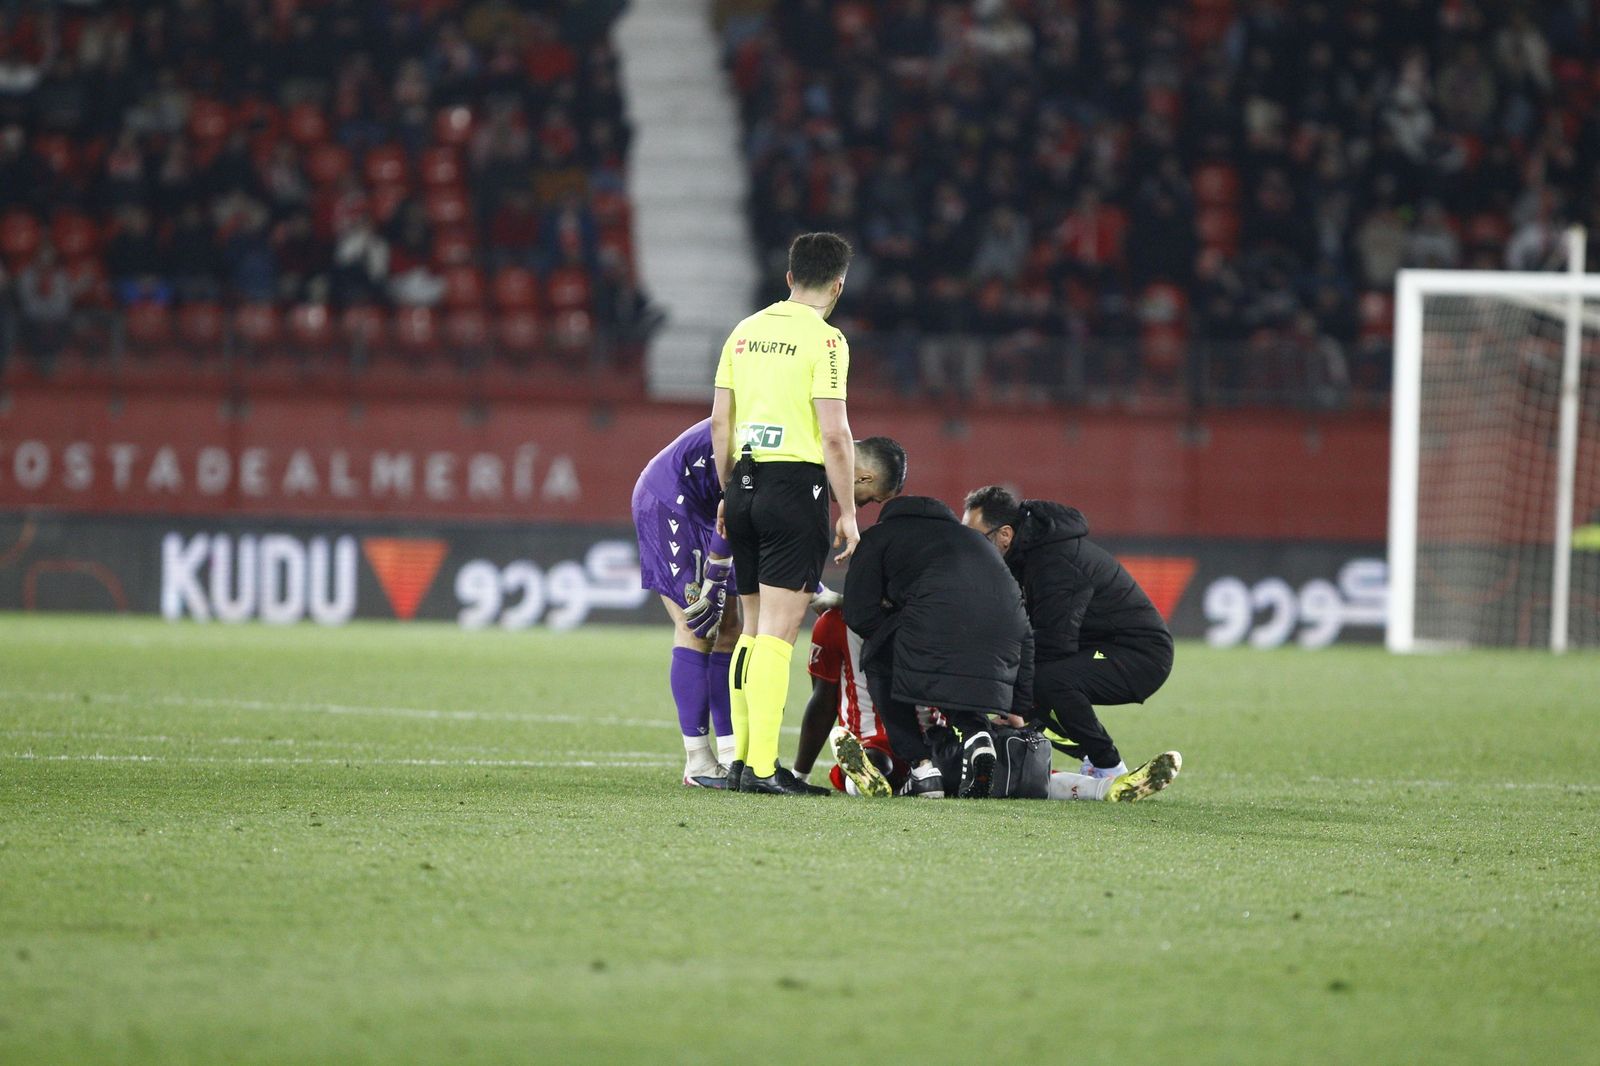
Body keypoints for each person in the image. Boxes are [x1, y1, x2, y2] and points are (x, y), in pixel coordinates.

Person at [711, 232, 858, 795]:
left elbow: (720, 422)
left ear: (790, 277)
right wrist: (847, 512)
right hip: (795, 487)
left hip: (744, 484)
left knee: (750, 630)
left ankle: (742, 763)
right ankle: (766, 769)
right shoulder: (826, 342)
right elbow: (836, 435)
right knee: (777, 633)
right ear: (838, 286)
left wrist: (729, 492)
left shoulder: (743, 332)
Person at [961, 485, 1179, 783]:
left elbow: (1054, 642)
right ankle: (1093, 756)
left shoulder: (1054, 561)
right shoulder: (1022, 559)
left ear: (1006, 535)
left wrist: (1015, 700)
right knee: (1028, 681)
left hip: (1140, 654)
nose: (970, 548)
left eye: (976, 538)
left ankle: (1109, 767)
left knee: (1044, 680)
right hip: (1096, 644)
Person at [842, 492, 1034, 799]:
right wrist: (1018, 705)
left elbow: (858, 614)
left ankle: (922, 768)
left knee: (882, 658)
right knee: (945, 668)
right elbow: (1024, 631)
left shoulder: (879, 536)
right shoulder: (977, 541)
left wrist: (895, 627)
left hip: (933, 625)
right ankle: (977, 736)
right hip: (1004, 634)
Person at [790, 438, 910, 794]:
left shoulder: (834, 622)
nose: (866, 506)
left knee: (876, 759)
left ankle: (870, 773)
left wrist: (799, 774)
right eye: (873, 498)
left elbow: (822, 704)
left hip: (872, 741)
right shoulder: (926, 617)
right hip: (929, 746)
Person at [631, 419, 742, 787]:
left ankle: (728, 756)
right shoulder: (779, 431)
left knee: (730, 627)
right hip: (671, 500)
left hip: (711, 511)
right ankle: (697, 760)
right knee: (697, 623)